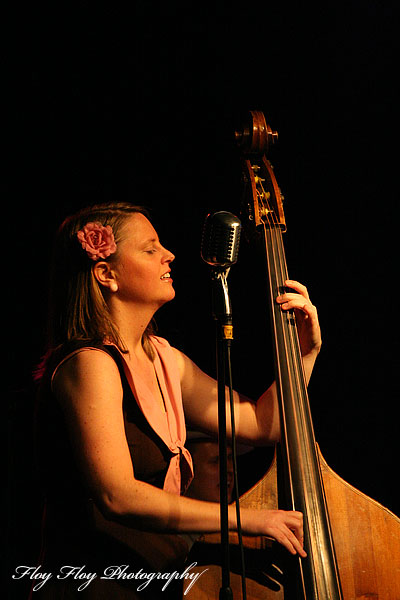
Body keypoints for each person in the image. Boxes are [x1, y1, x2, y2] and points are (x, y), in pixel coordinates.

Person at [29, 202, 321, 599]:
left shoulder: (165, 359)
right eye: (150, 249)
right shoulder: (89, 363)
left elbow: (263, 424)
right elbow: (118, 496)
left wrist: (304, 353)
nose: (169, 254)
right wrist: (245, 519)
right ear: (105, 274)